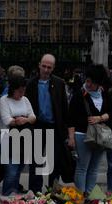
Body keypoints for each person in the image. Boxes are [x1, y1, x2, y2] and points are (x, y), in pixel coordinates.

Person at [25, 54, 75, 193]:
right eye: (44, 66)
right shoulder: (31, 83)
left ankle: (53, 191)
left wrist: (69, 134)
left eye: (49, 67)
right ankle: (35, 192)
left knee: (54, 161)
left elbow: (65, 109)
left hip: (54, 126)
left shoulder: (59, 83)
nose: (46, 70)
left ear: (53, 68)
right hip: (37, 125)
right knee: (36, 161)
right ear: (39, 65)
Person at [0, 65, 27, 196]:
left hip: (19, 136)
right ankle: (8, 194)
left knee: (15, 168)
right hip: (9, 136)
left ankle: (10, 190)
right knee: (12, 168)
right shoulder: (6, 96)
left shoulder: (20, 95)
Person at [69, 64, 112, 194]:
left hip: (100, 136)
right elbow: (70, 118)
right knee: (82, 167)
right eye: (87, 80)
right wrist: (71, 138)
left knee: (94, 168)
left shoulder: (105, 94)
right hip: (82, 134)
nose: (88, 84)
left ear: (99, 83)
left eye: (91, 82)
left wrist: (100, 118)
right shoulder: (79, 95)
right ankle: (80, 195)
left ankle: (90, 194)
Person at [0, 75, 37, 195]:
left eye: (23, 90)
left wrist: (24, 120)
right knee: (11, 171)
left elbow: (33, 117)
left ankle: (14, 196)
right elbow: (7, 120)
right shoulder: (4, 100)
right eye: (20, 90)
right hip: (8, 140)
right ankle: (7, 196)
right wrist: (22, 119)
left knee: (18, 170)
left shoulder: (25, 100)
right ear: (13, 89)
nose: (22, 93)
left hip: (24, 140)